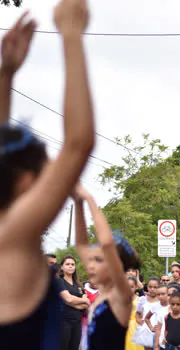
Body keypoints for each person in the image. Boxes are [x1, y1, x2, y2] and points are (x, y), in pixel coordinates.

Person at [0, 0, 96, 348]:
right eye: (44, 169)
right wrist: (71, 33)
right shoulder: (14, 234)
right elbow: (77, 144)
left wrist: (6, 74)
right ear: (26, 181)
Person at [72, 185, 141, 350]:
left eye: (98, 260)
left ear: (116, 264)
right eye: (91, 260)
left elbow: (107, 243)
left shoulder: (121, 294)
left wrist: (89, 199)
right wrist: (78, 203)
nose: (91, 265)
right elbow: (81, 243)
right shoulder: (102, 291)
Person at [58, 255, 89, 350]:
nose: (70, 266)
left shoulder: (78, 284)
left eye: (72, 264)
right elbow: (68, 299)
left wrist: (73, 302)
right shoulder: (59, 281)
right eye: (67, 264)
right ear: (62, 267)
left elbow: (86, 303)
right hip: (63, 322)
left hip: (77, 322)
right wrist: (80, 301)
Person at [126, 277, 145, 350]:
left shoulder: (140, 300)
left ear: (136, 287)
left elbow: (142, 314)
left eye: (131, 287)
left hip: (135, 326)